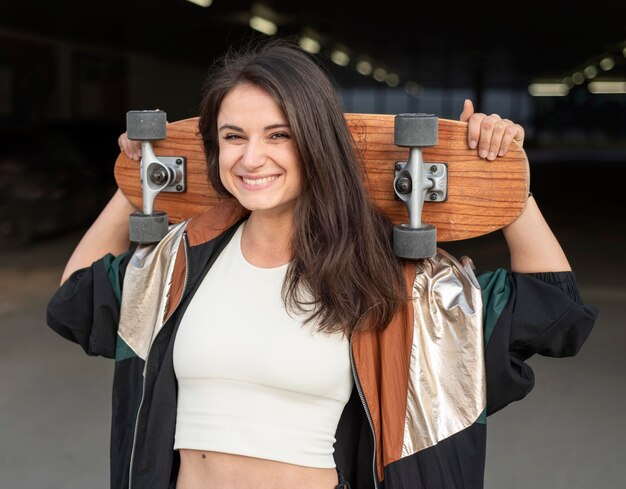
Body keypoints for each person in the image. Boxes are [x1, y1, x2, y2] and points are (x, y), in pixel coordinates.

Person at [46, 38, 598, 489]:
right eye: (233, 137)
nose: (252, 157)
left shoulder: (392, 279)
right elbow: (75, 300)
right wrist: (135, 175)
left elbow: (553, 312)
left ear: (316, 143)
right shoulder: (177, 265)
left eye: (278, 136)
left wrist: (504, 183)